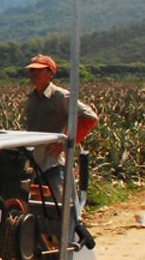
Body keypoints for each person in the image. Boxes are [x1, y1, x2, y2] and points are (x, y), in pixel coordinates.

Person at [23, 54, 98, 197]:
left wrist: (66, 142)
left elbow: (90, 117)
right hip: (33, 160)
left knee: (57, 203)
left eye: (39, 70)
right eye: (31, 70)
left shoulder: (61, 96)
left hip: (52, 161)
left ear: (51, 73)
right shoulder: (31, 98)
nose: (33, 74)